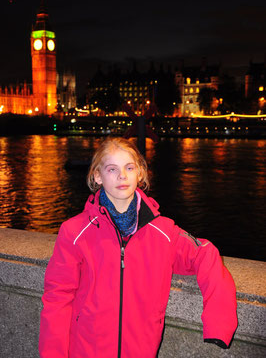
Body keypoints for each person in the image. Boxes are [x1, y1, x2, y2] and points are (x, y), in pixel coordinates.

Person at [39, 137, 237, 358]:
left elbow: (205, 253)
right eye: (112, 169)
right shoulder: (74, 232)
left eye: (129, 167)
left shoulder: (163, 231)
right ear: (97, 176)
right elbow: (58, 298)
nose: (122, 175)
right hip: (85, 350)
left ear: (140, 173)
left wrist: (219, 323)